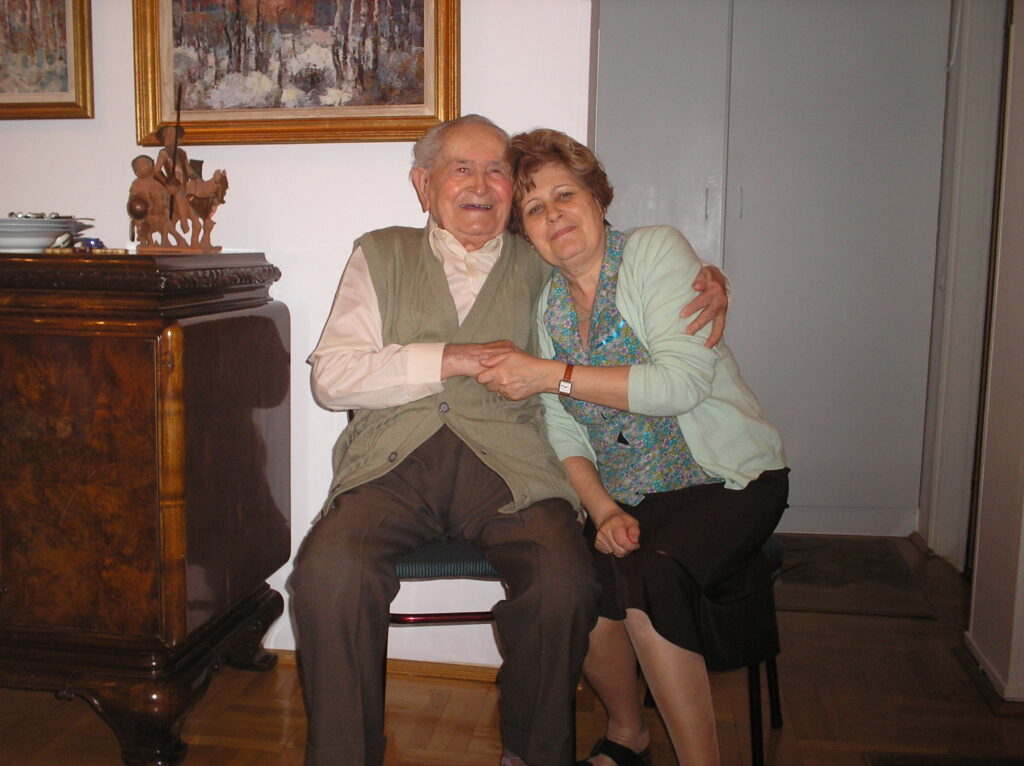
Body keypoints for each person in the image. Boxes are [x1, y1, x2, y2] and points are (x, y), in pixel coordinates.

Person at [291, 114, 729, 766]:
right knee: (327, 574)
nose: (480, 184)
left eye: (496, 170)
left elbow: (617, 263)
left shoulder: (541, 257)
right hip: (391, 465)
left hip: (512, 469)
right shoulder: (380, 254)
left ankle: (532, 754)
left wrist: (707, 276)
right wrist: (452, 358)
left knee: (563, 581)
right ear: (424, 185)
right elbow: (332, 379)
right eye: (461, 169)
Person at [476, 128, 789, 766]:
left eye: (565, 194)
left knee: (649, 575)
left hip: (726, 480)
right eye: (534, 208)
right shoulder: (547, 307)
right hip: (630, 495)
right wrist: (602, 509)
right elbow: (562, 428)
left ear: (597, 196)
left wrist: (553, 374)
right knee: (577, 582)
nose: (553, 214)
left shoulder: (652, 252)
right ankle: (628, 735)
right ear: (525, 233)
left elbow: (680, 385)